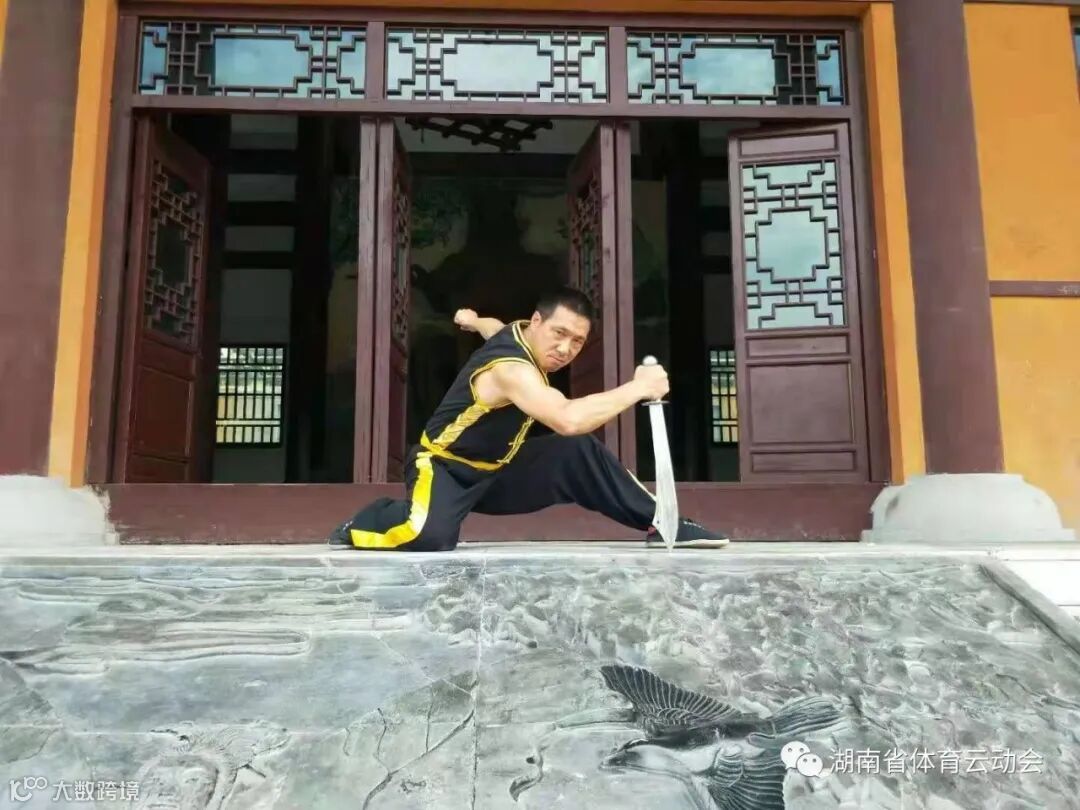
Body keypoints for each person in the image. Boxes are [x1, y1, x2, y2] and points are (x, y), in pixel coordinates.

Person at [329, 287, 729, 551]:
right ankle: (368, 519)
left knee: (577, 452)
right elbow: (566, 418)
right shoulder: (511, 370)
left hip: (499, 472)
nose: (565, 348)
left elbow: (493, 328)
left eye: (577, 341)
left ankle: (663, 522)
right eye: (559, 333)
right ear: (536, 322)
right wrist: (639, 387)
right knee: (427, 536)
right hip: (445, 468)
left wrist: (472, 320)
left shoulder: (514, 331)